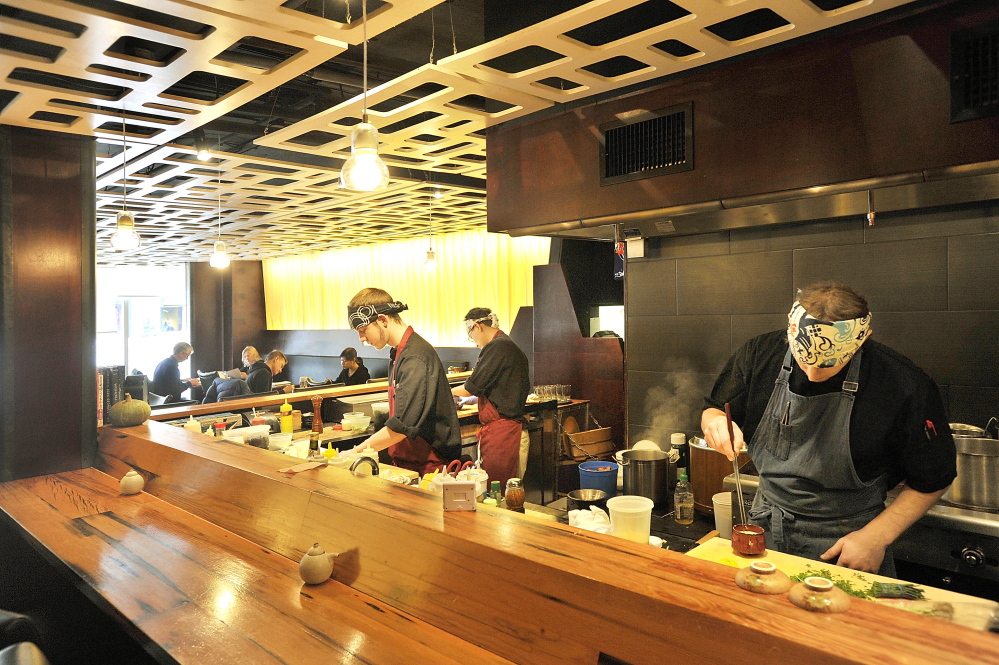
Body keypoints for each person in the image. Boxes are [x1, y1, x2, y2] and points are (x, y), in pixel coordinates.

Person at [701, 282, 955, 576]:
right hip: (765, 528)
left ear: (863, 339)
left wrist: (877, 537)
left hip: (850, 541)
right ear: (790, 334)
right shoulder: (759, 354)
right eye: (804, 360)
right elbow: (714, 408)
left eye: (828, 364)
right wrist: (715, 423)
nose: (813, 374)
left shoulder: (903, 383)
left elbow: (935, 477)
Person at [343, 288, 460, 474]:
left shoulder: (415, 356)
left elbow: (402, 426)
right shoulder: (399, 353)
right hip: (410, 460)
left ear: (382, 320)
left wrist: (355, 452)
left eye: (364, 330)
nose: (362, 339)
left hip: (428, 465)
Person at [451, 308, 531, 489]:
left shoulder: (498, 346)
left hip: (504, 433)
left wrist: (445, 392)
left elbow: (471, 386)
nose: (474, 342)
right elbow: (491, 389)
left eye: (470, 334)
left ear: (477, 326)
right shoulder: (505, 344)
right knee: (500, 493)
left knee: (499, 494)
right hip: (503, 431)